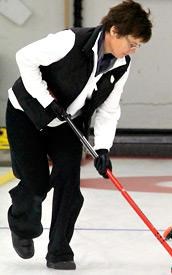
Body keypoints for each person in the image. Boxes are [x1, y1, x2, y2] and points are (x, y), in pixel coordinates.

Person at [6, 0, 152, 270]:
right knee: (35, 184)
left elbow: (109, 109)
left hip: (67, 122)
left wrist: (104, 149)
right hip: (26, 114)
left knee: (69, 185)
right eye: (132, 42)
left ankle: (59, 250)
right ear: (114, 31)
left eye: (138, 45)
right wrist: (44, 100)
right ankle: (23, 225)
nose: (134, 50)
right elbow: (24, 57)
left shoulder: (121, 64)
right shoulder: (69, 41)